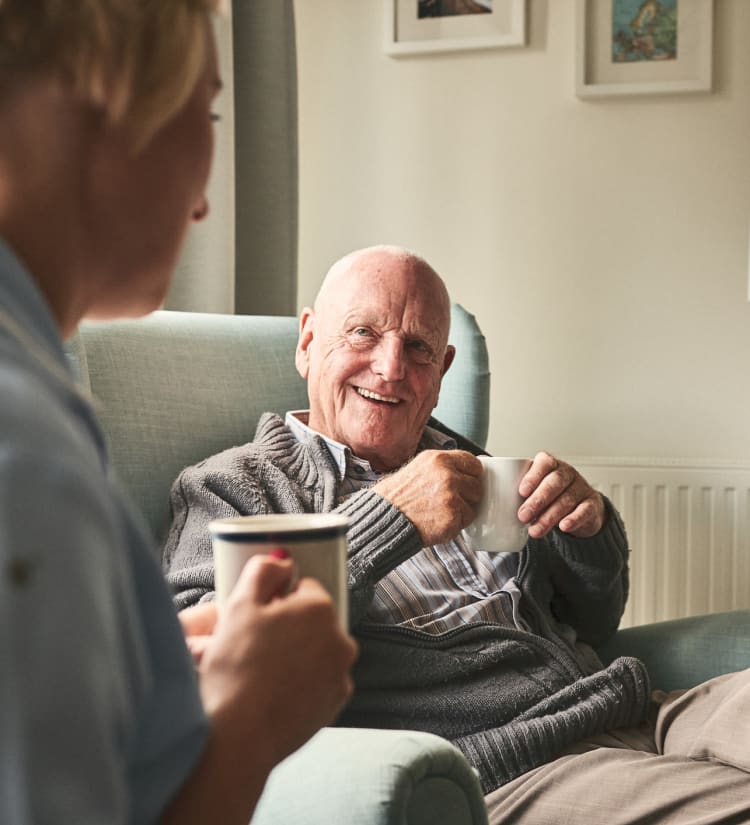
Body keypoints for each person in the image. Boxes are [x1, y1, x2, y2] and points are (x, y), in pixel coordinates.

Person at [164, 244, 750, 824]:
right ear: (309, 342)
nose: (391, 367)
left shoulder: (472, 465)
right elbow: (202, 670)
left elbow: (593, 623)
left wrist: (585, 528)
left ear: (441, 371)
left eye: (417, 348)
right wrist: (390, 517)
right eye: (363, 333)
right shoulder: (232, 487)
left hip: (639, 709)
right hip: (514, 764)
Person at [0, 3, 357, 823]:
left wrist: (143, 662)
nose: (204, 201)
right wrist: (251, 720)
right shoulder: (31, 464)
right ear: (99, 103)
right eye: (207, 112)